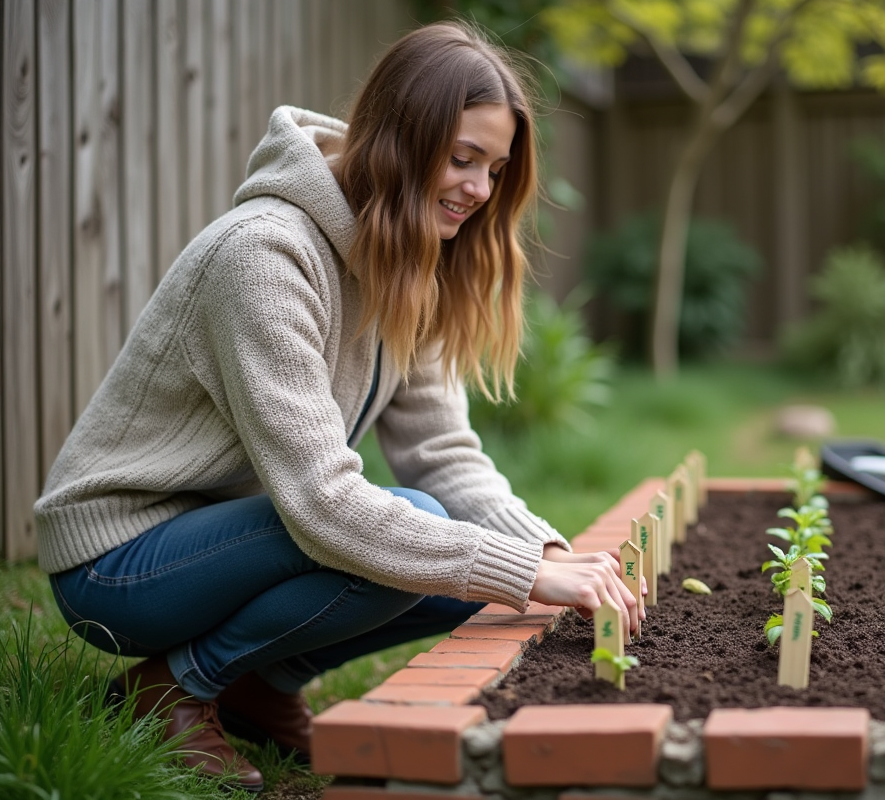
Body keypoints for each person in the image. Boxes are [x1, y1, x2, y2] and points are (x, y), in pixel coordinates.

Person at [34, 21, 639, 793]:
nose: (480, 191)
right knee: (418, 537)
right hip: (118, 564)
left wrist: (544, 556)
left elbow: (442, 452)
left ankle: (260, 686)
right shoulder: (264, 254)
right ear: (398, 135)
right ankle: (175, 685)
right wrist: (514, 570)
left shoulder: (408, 255)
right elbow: (323, 503)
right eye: (461, 159)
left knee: (450, 556)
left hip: (237, 540)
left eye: (494, 169)